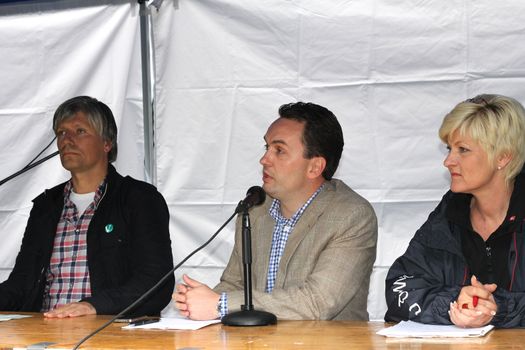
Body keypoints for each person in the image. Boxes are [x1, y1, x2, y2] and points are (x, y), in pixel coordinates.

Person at [174, 102, 377, 321]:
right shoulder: (254, 210)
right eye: (267, 147)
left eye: (279, 150)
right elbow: (236, 283)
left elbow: (317, 302)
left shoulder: (352, 216)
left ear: (315, 167)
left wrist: (220, 304)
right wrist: (202, 299)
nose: (264, 160)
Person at [0, 96, 174, 318]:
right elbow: (20, 286)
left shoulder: (140, 200)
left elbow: (156, 282)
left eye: (80, 131)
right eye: (62, 132)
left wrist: (94, 305)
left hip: (108, 334)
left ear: (107, 143)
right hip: (44, 334)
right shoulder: (45, 206)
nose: (67, 140)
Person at [385, 94, 525, 328]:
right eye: (450, 148)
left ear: (503, 157)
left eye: (463, 150)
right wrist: (454, 304)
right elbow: (401, 286)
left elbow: (497, 308)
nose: (448, 161)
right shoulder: (449, 215)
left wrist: (497, 308)